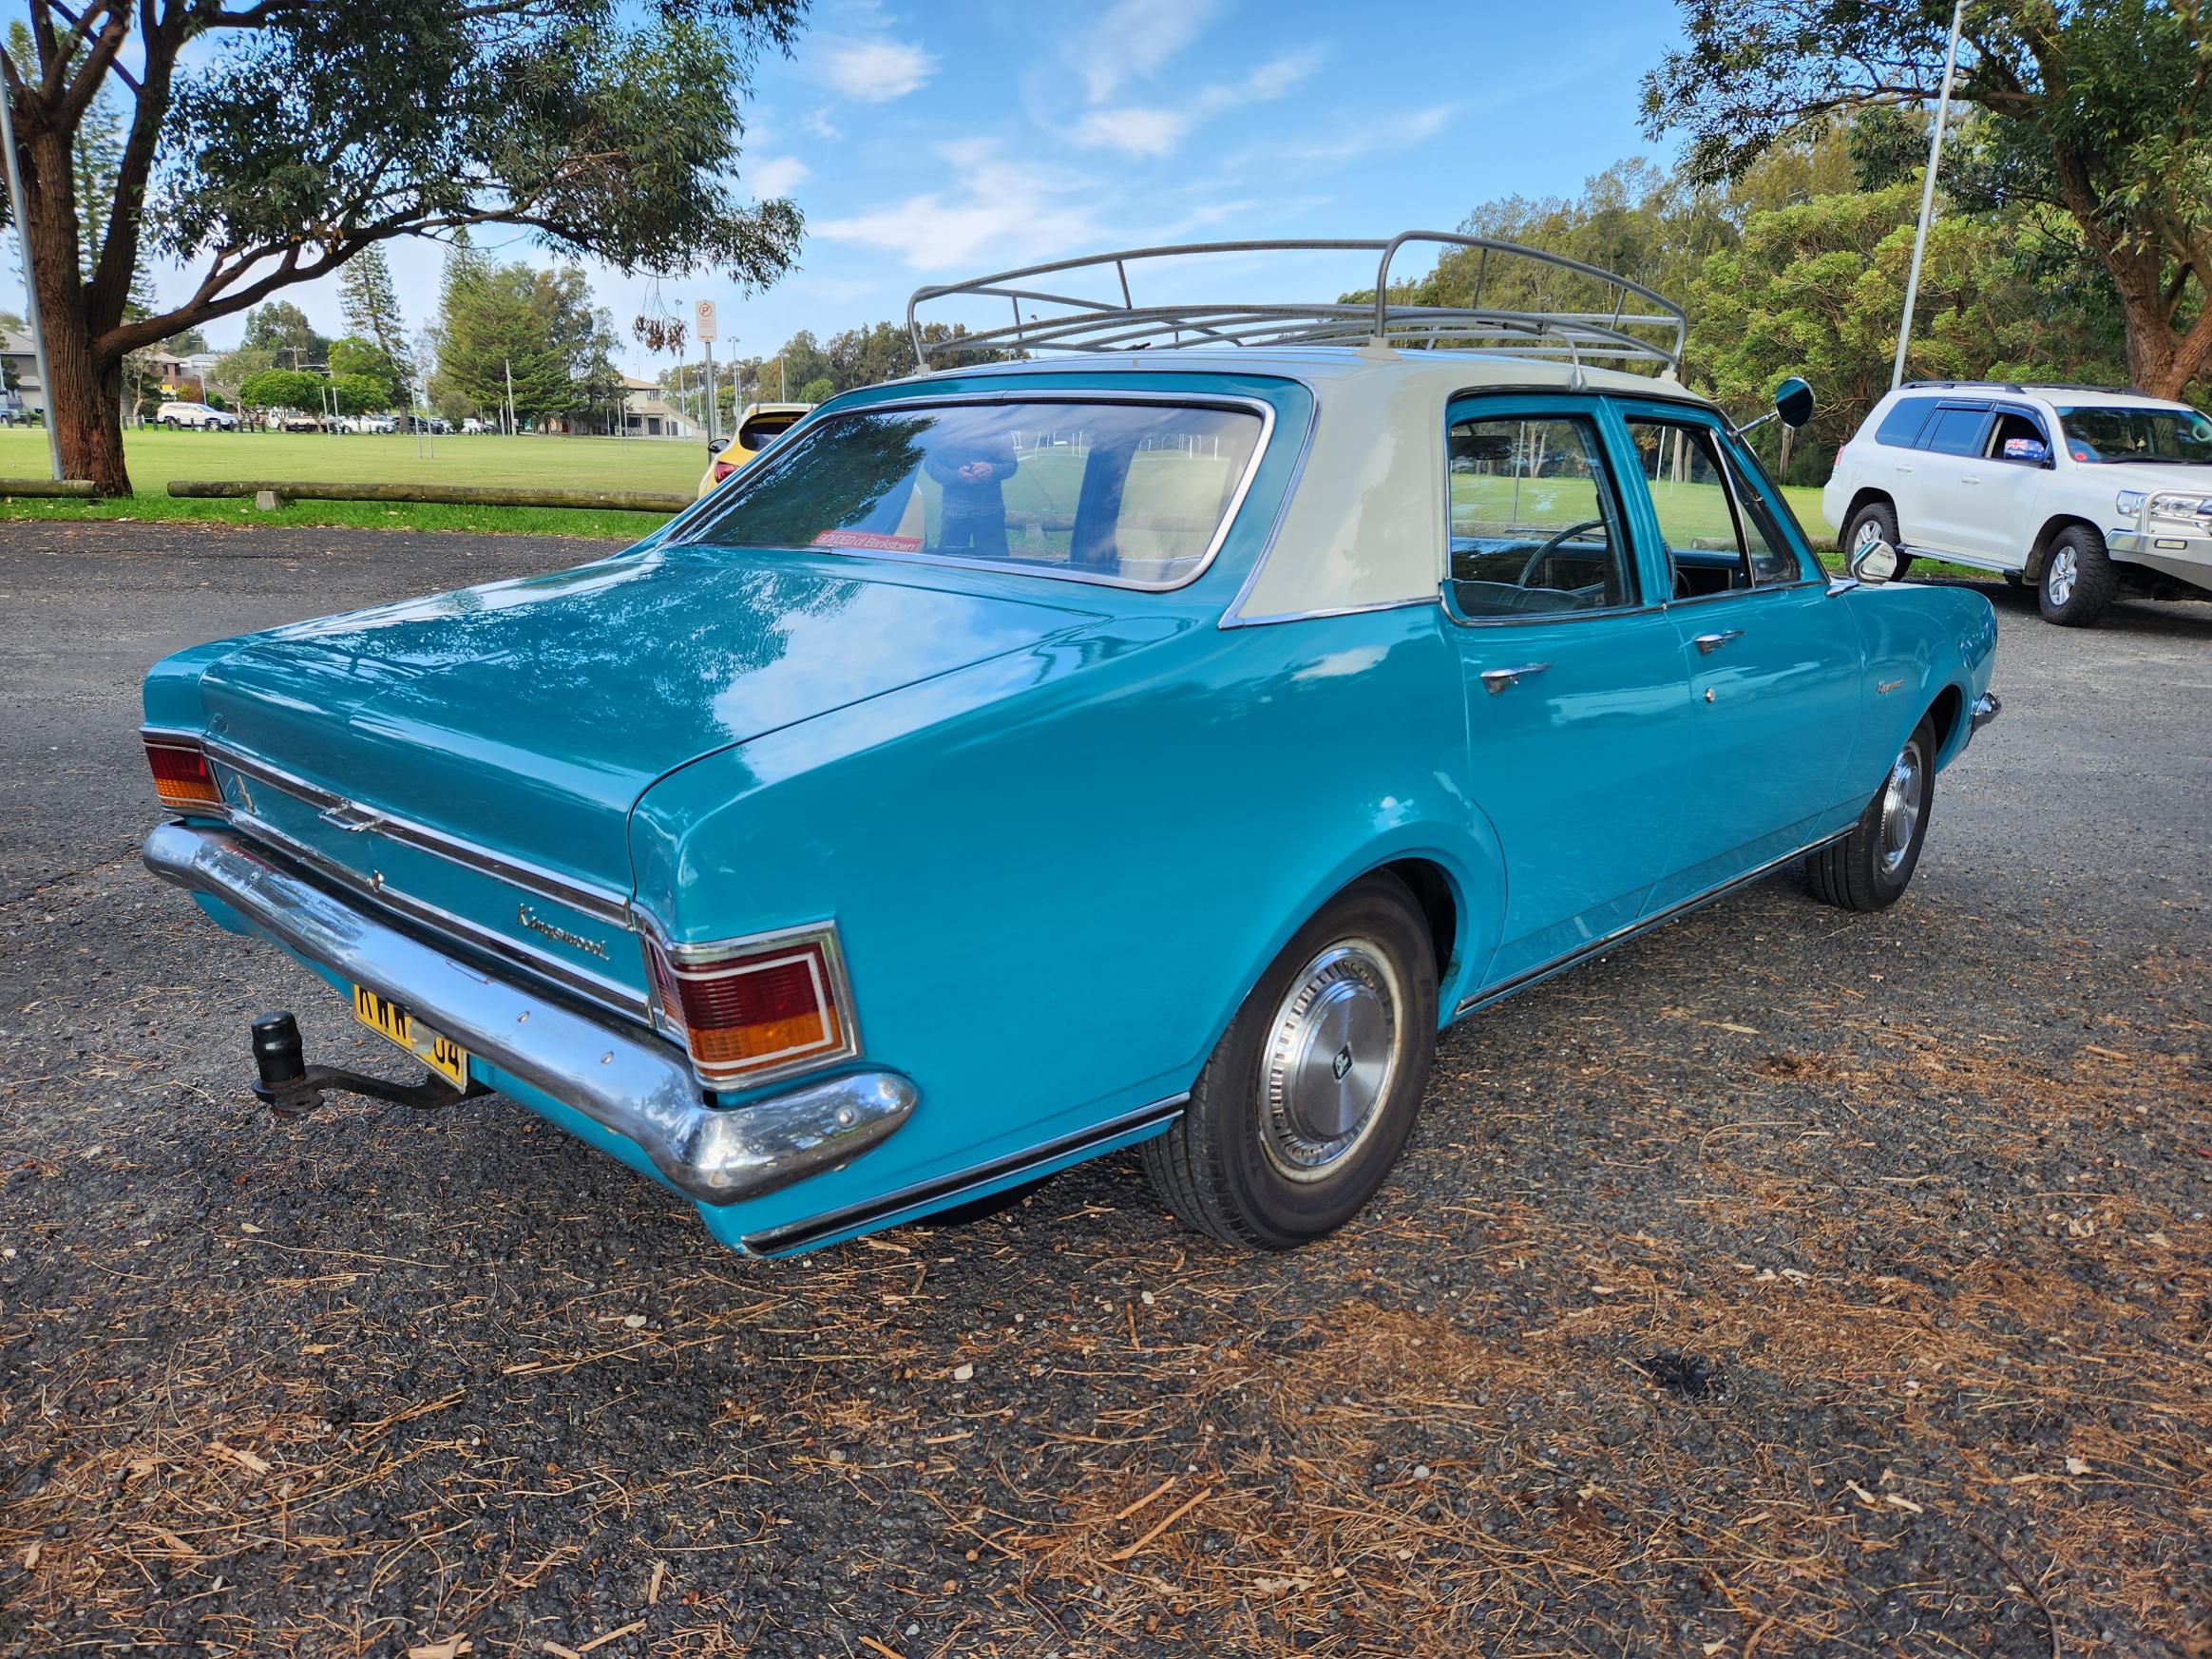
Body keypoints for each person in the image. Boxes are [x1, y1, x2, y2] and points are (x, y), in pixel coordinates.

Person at [924, 429, 1018, 556]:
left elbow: (1011, 464)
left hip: (990, 510)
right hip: (954, 511)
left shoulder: (995, 429)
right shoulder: (944, 429)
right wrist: (955, 476)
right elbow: (930, 463)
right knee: (951, 563)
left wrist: (993, 470)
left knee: (995, 562)